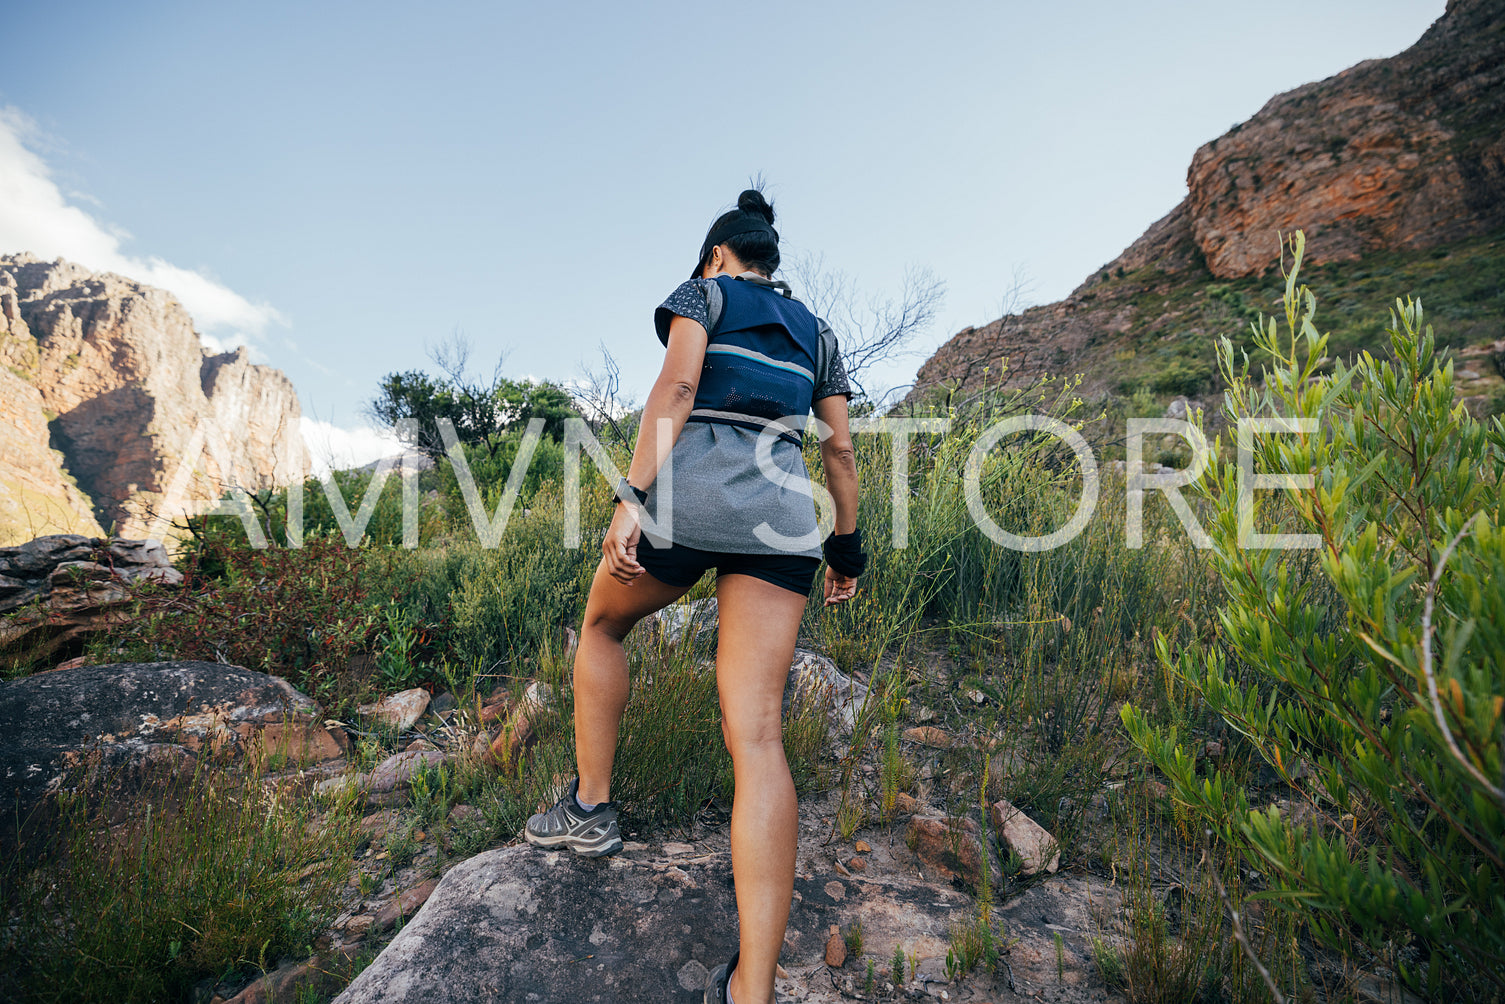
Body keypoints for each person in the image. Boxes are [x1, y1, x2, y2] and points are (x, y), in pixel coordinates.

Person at [524, 188, 866, 1004]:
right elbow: (842, 448)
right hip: (782, 524)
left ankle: (592, 809)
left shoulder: (701, 294)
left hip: (688, 503)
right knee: (757, 735)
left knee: (601, 628)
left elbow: (675, 392)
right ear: (769, 260)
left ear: (716, 255)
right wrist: (847, 546)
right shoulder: (817, 334)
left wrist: (629, 498)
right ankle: (751, 986)